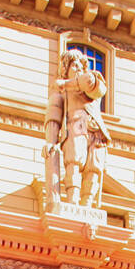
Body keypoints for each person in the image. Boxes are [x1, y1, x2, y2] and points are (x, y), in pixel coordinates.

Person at [43, 46, 111, 210]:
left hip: (96, 132)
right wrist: (51, 141)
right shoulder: (60, 94)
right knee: (73, 163)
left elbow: (92, 83)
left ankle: (86, 205)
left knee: (93, 168)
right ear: (65, 70)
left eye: (81, 67)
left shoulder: (90, 86)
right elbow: (53, 117)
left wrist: (67, 83)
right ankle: (73, 202)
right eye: (74, 66)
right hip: (74, 127)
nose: (79, 70)